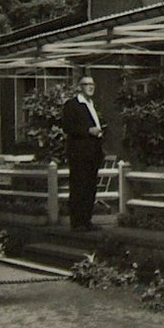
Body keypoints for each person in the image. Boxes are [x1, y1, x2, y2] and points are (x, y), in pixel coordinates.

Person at [61, 75, 105, 230]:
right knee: (79, 186)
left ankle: (87, 220)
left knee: (90, 187)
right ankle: (77, 221)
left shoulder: (92, 104)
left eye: (92, 84)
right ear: (80, 87)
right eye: (86, 84)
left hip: (93, 153)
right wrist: (88, 130)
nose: (90, 87)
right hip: (79, 153)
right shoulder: (72, 105)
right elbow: (67, 126)